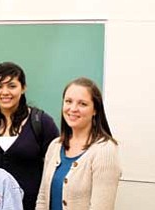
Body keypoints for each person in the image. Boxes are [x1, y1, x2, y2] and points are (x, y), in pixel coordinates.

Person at [0, 62, 59, 210]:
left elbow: (55, 168)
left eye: (12, 86)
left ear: (23, 88)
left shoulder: (41, 122)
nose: (5, 92)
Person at [36, 77, 121, 210]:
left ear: (95, 110)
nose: (73, 108)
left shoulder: (105, 150)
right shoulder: (55, 146)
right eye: (68, 101)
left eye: (82, 104)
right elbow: (42, 198)